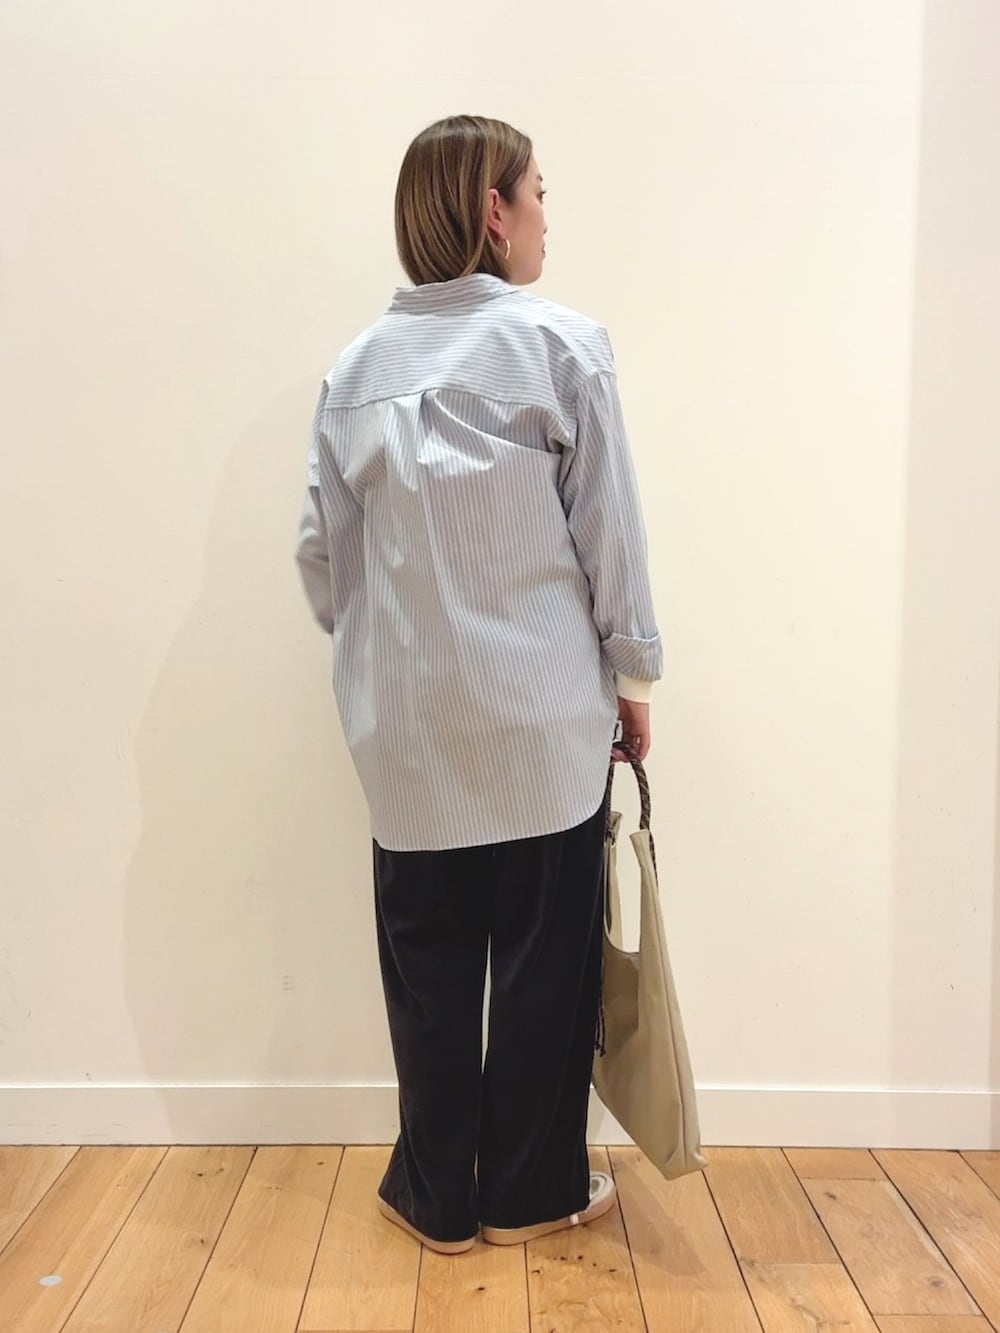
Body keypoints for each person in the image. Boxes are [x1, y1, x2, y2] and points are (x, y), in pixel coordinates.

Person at [295, 115, 661, 1253]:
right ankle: (527, 1191)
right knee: (546, 968)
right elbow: (609, 536)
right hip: (541, 720)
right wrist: (634, 670)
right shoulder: (564, 347)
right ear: (495, 211)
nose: (548, 215)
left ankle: (436, 1197)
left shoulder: (355, 372)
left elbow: (321, 559)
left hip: (407, 734)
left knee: (429, 970)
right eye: (539, 192)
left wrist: (387, 650)